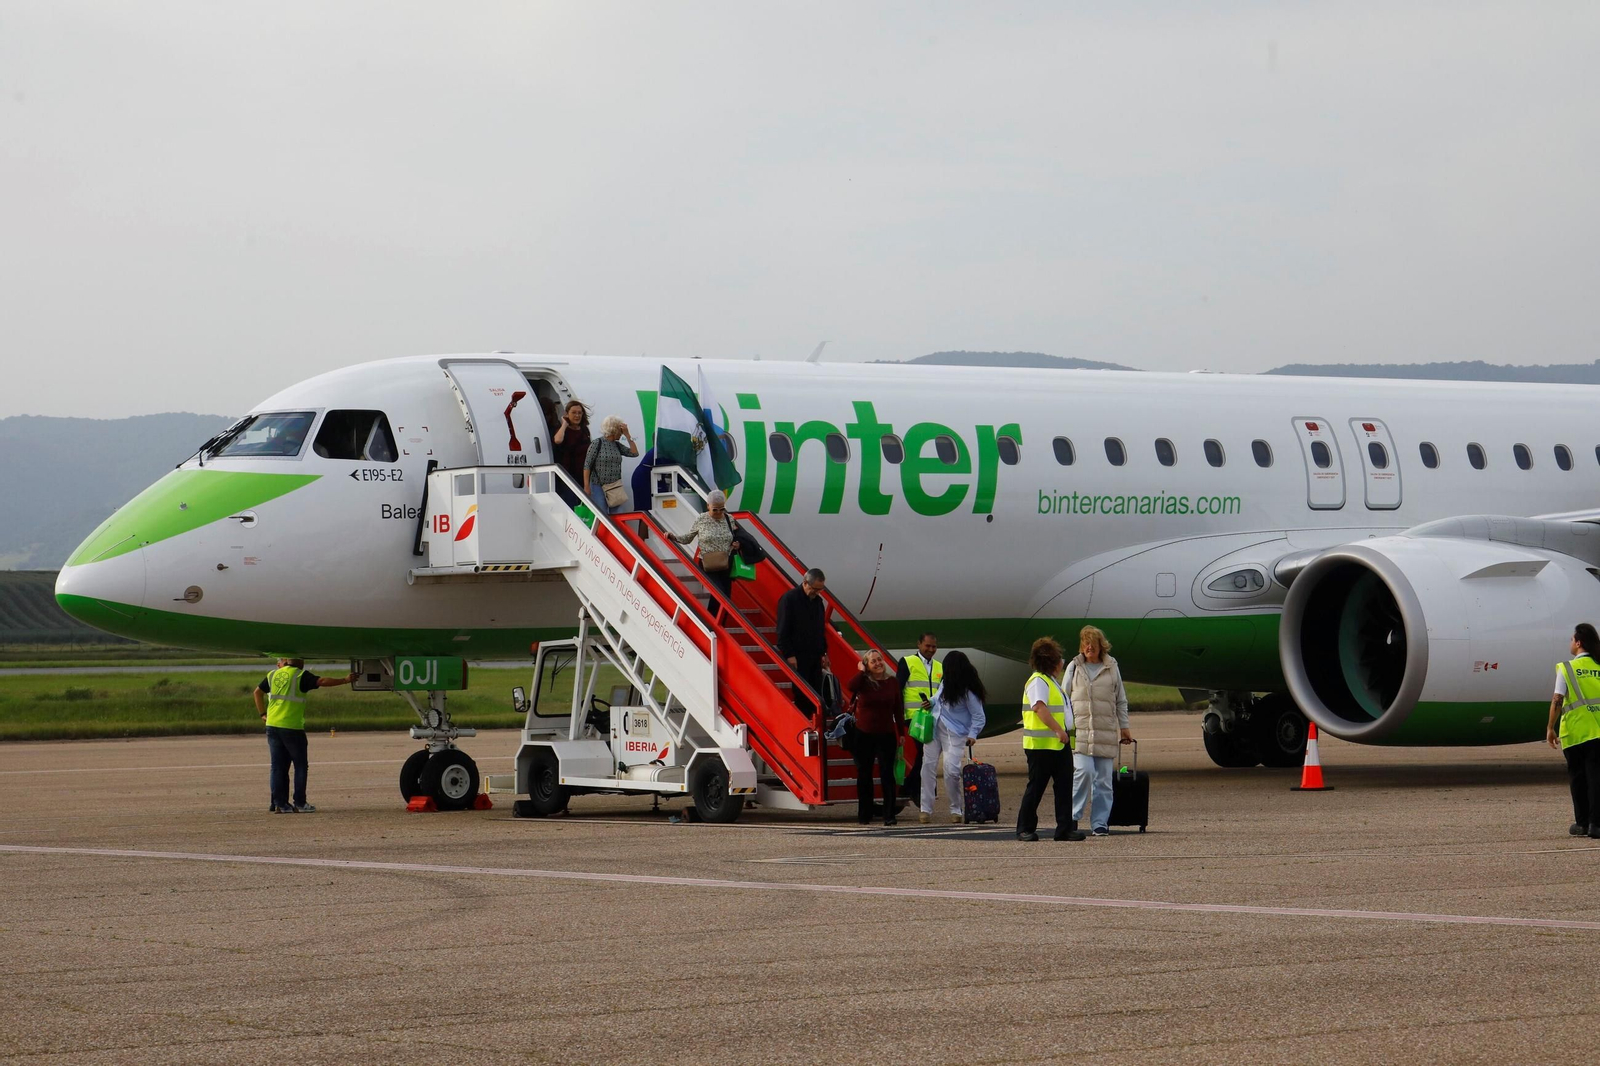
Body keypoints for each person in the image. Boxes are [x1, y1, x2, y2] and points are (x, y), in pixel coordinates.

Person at [253, 657, 356, 813]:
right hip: (291, 727)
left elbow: (257, 692)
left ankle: (280, 804)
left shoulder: (273, 674)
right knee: (300, 766)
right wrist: (345, 680)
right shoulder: (300, 675)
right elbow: (322, 681)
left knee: (277, 767)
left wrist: (262, 714)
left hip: (272, 726)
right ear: (300, 663)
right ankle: (300, 803)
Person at [1015, 637, 1085, 842]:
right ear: (1052, 661)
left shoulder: (1051, 681)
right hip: (1041, 746)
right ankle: (1024, 828)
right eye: (1059, 658)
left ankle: (1064, 828)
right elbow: (1039, 708)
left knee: (1064, 786)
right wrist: (1058, 730)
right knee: (1036, 788)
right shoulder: (1038, 681)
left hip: (1057, 745)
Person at [1066, 625, 1133, 837]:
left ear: (1100, 646)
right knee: (1083, 773)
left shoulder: (1112, 667)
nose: (1088, 647)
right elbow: (1063, 698)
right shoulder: (1074, 667)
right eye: (1085, 643)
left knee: (1103, 781)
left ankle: (1100, 823)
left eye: (1092, 644)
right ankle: (1073, 817)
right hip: (1082, 732)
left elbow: (1121, 700)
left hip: (1105, 732)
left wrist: (1124, 727)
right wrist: (1065, 728)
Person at [920, 649, 986, 823]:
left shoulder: (968, 691)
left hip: (955, 734)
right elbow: (937, 697)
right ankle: (925, 809)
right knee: (927, 767)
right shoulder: (946, 682)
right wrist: (930, 702)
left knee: (951, 771)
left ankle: (956, 809)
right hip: (935, 727)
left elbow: (979, 716)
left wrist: (973, 734)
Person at [1547, 623, 1600, 838]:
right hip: (1598, 732)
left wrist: (1551, 727)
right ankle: (1597, 825)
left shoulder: (1566, 668)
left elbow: (1557, 699)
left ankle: (1583, 823)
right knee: (1596, 778)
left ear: (1578, 643)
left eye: (1572, 639)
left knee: (1578, 779)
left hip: (1576, 733)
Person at [848, 648, 904, 825]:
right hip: (863, 734)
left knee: (887, 775)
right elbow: (851, 686)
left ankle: (889, 815)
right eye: (873, 661)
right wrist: (861, 671)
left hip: (886, 734)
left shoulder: (892, 682)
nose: (878, 663)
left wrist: (901, 732)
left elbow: (898, 709)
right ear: (867, 665)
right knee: (864, 774)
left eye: (879, 660)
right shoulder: (863, 682)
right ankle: (865, 814)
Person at [669, 489, 743, 604]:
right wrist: (674, 537)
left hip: (726, 563)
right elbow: (689, 537)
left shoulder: (729, 519)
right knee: (719, 593)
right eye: (715, 509)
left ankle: (718, 620)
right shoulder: (702, 519)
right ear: (708, 506)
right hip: (707, 563)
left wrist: (737, 544)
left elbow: (735, 537)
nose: (719, 512)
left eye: (722, 509)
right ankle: (712, 619)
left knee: (726, 597)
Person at [776, 568, 830, 713]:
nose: (817, 592)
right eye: (815, 589)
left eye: (821, 589)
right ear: (805, 583)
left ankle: (816, 720)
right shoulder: (789, 599)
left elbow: (820, 629)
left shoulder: (818, 602)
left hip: (815, 655)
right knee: (801, 693)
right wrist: (789, 654)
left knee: (816, 691)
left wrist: (824, 652)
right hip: (798, 656)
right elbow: (783, 629)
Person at [897, 631, 941, 807]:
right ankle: (912, 788)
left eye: (934, 646)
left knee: (927, 756)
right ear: (919, 645)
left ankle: (912, 787)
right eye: (927, 646)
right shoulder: (907, 662)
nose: (931, 649)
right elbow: (898, 689)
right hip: (914, 717)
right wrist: (899, 715)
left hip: (932, 718)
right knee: (924, 754)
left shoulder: (939, 666)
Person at [582, 415, 639, 516]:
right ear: (614, 429)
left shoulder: (616, 445)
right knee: (602, 515)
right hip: (598, 485)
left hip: (614, 486)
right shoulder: (597, 443)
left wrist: (627, 435)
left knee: (618, 515)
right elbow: (587, 465)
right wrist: (586, 486)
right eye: (620, 430)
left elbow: (634, 453)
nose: (621, 433)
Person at [551, 400, 591, 504]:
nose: (577, 415)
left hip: (582, 475)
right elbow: (558, 440)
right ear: (567, 414)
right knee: (570, 502)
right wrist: (564, 424)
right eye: (573, 412)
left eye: (579, 413)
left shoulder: (584, 430)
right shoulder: (562, 430)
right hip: (568, 475)